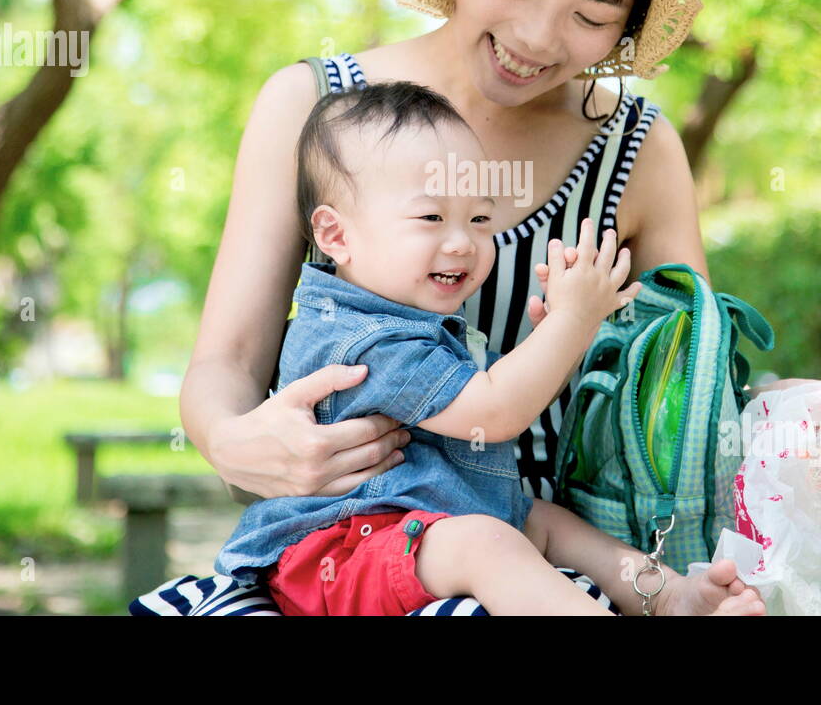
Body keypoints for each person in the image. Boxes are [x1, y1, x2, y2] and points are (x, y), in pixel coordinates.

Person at [134, 0, 821, 617]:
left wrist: (816, 420)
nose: (539, 39)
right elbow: (226, 360)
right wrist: (235, 440)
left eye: (589, 14)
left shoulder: (638, 150)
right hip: (358, 544)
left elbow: (685, 384)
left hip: (541, 539)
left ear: (627, 28)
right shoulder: (317, 107)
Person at [212, 80, 765, 615]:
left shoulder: (405, 318)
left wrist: (564, 341)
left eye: (480, 219)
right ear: (335, 236)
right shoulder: (361, 337)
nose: (462, 242)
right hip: (341, 554)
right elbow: (496, 410)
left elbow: (490, 402)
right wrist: (570, 321)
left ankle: (667, 595)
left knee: (544, 521)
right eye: (431, 217)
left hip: (419, 532)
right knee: (488, 541)